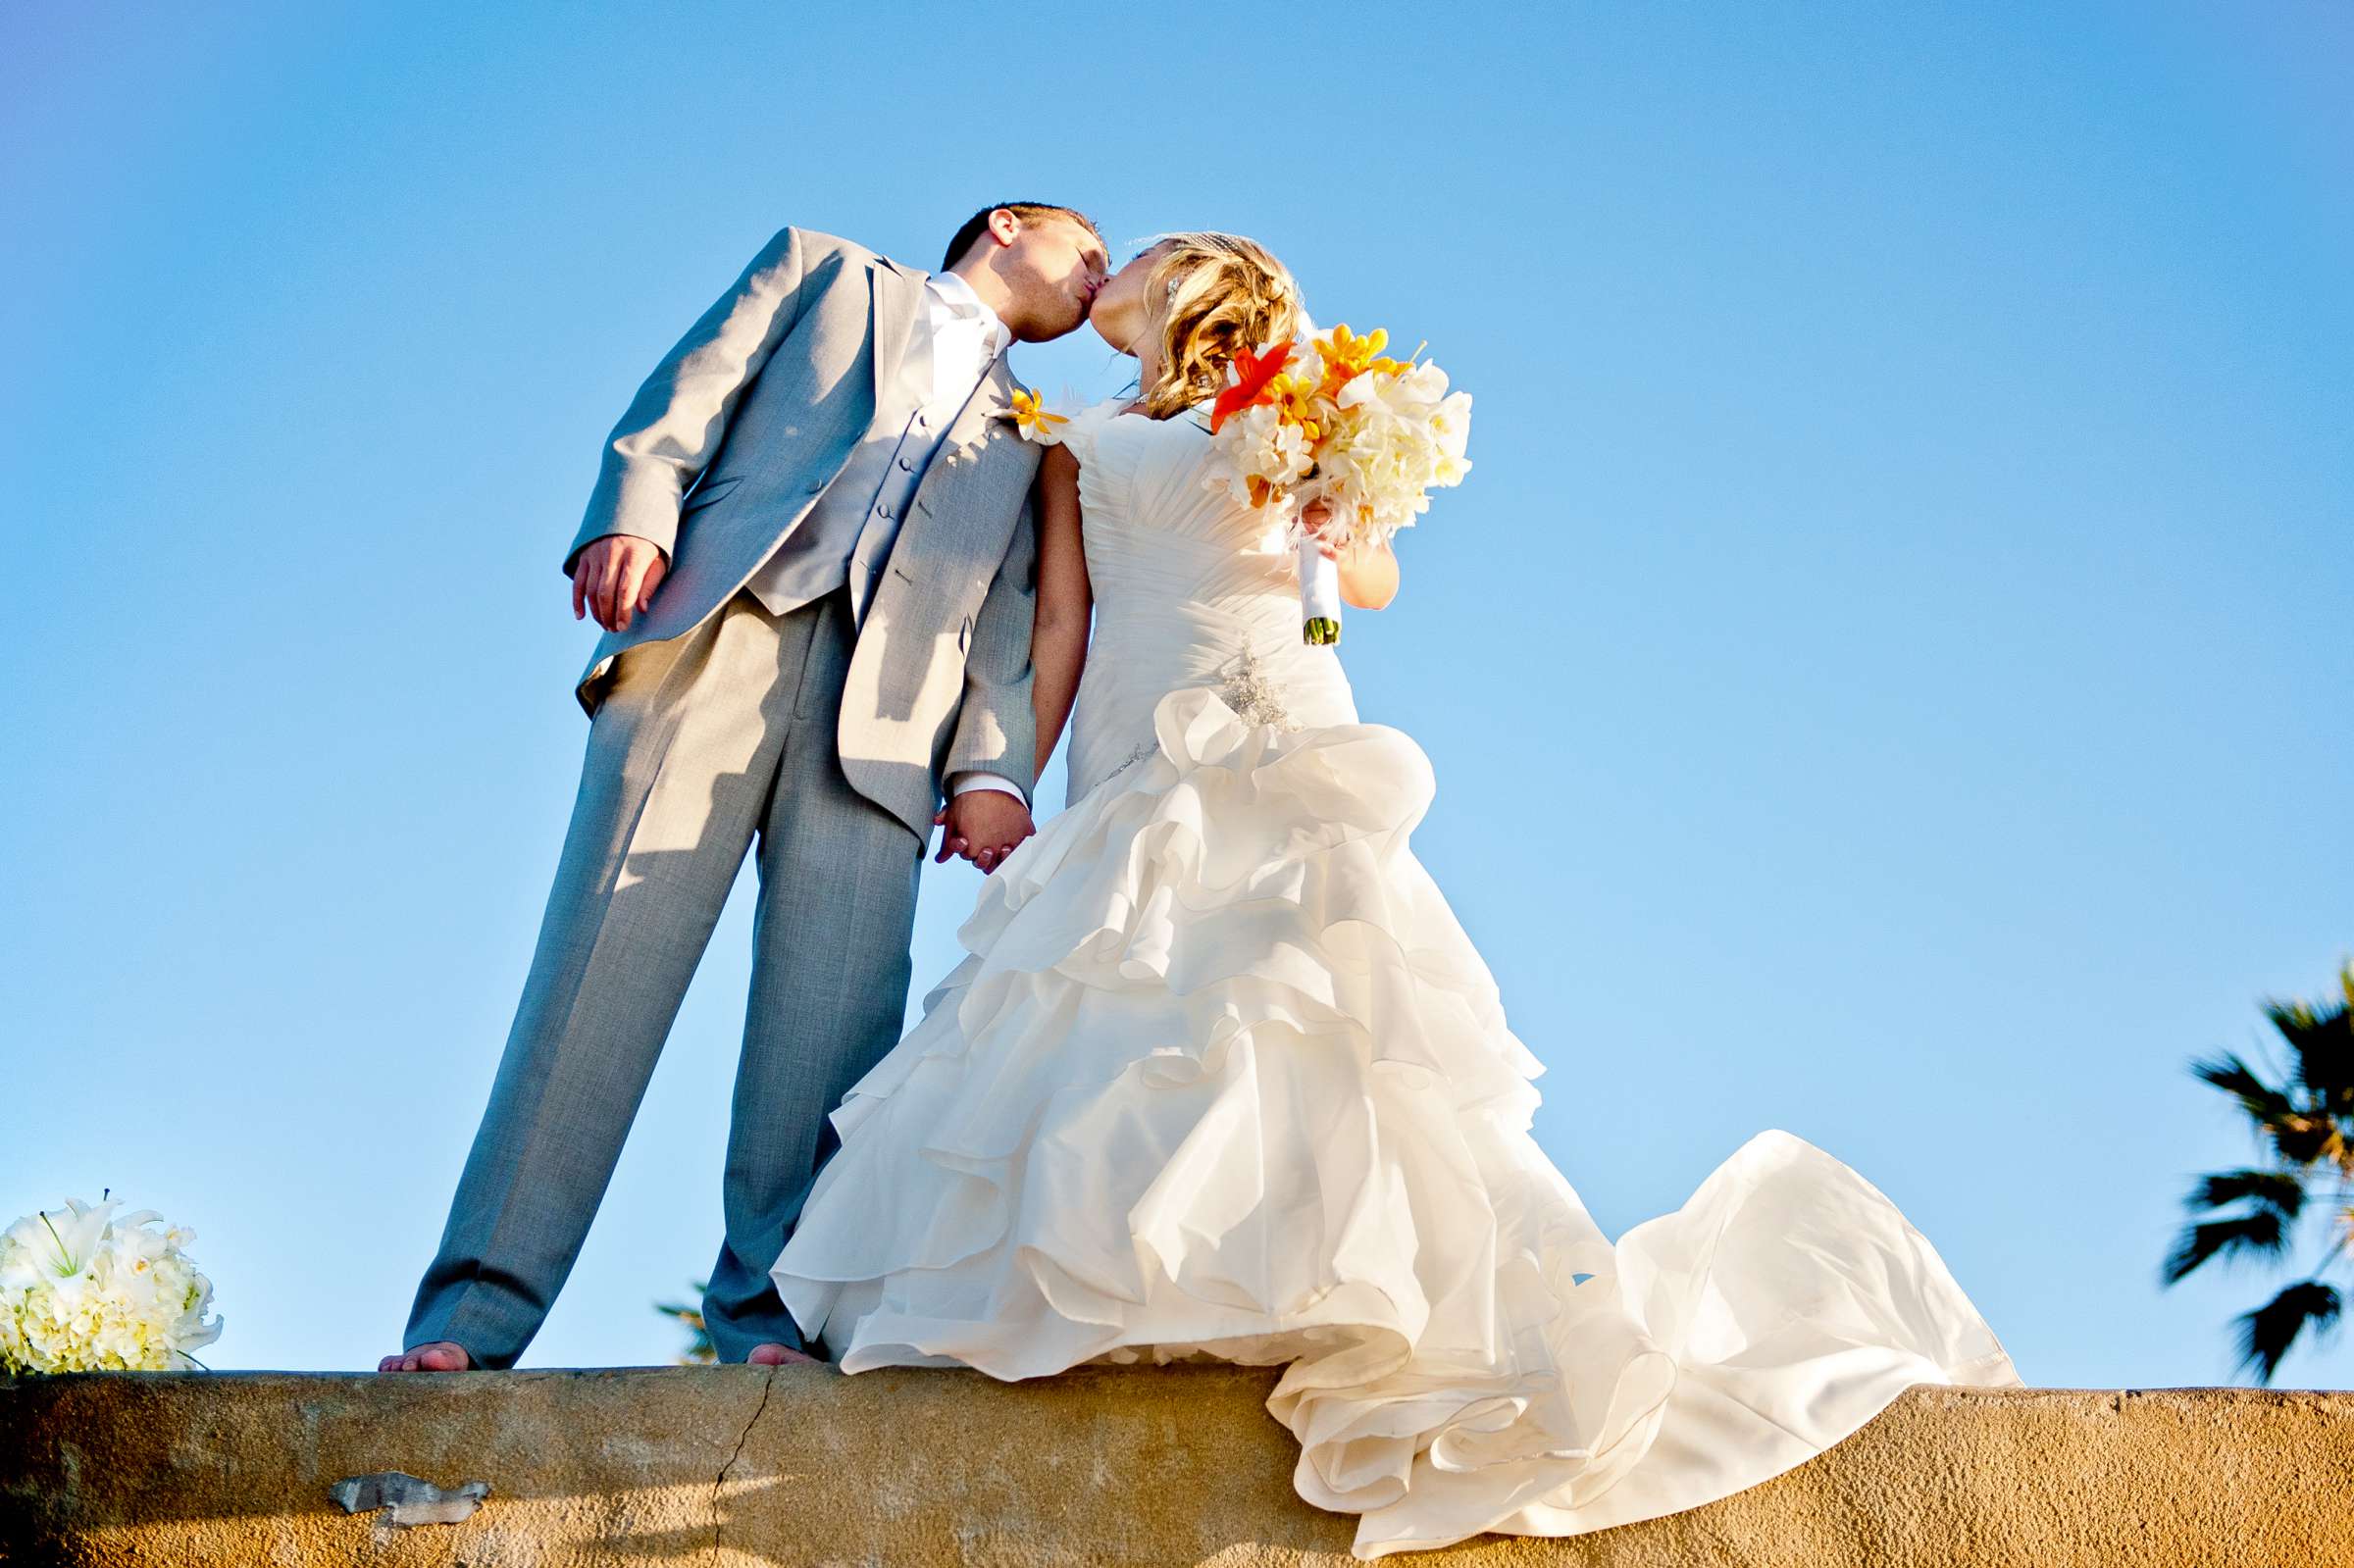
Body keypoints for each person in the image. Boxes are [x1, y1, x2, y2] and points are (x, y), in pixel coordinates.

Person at [768, 231, 2023, 1557]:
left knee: (1290, 995)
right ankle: (1115, 1288)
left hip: (1277, 707)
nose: (1105, 277)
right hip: (1131, 741)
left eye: (1130, 258)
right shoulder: (1078, 429)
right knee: (1126, 1000)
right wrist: (1014, 779)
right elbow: (1064, 617)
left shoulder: (1300, 397)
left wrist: (1334, 525)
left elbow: (1358, 588)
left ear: (1197, 278)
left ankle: (1315, 1284)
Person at [380, 203, 1110, 1374]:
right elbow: (694, 388)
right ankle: (472, 1319)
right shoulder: (824, 273)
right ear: (1008, 230)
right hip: (719, 639)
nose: (1100, 278)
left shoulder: (1042, 434)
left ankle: (773, 1331)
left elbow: (1011, 614)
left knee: (832, 1040)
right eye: (1088, 251)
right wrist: (633, 513)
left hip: (889, 722)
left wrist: (991, 769)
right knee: (592, 987)